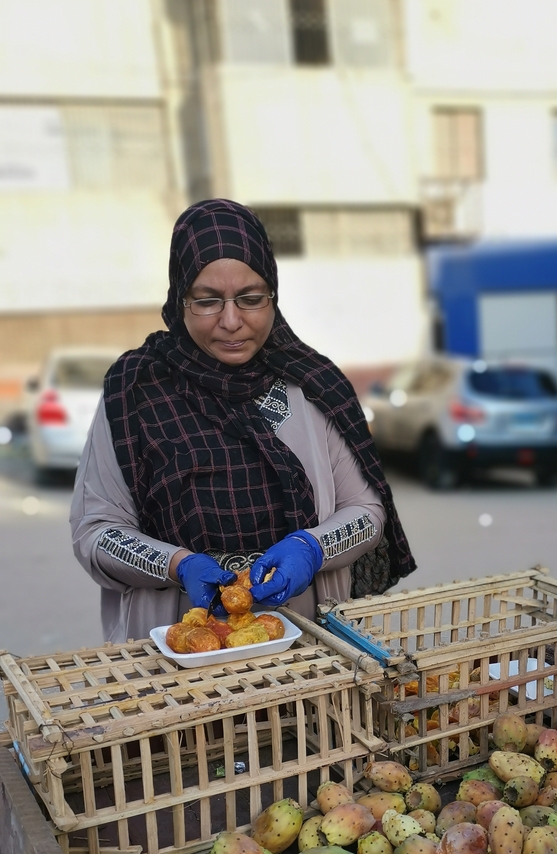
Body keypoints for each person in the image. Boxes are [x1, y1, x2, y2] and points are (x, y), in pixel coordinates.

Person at [71, 199, 415, 642]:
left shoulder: (309, 384)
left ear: (273, 295)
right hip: (177, 650)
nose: (231, 321)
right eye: (208, 301)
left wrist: (312, 548)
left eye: (251, 299)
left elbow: (367, 513)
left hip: (305, 644)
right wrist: (178, 564)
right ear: (181, 299)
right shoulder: (135, 390)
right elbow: (97, 532)